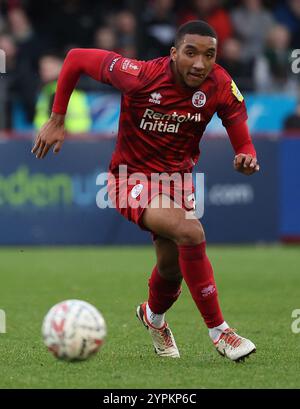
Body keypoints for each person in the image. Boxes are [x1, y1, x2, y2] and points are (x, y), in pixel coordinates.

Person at [32, 20, 259, 362]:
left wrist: (247, 156)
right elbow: (77, 57)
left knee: (171, 267)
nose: (199, 63)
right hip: (129, 178)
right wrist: (58, 117)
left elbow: (241, 138)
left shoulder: (220, 85)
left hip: (177, 182)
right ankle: (220, 332)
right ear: (173, 53)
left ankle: (152, 318)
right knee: (190, 231)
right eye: (191, 53)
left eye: (209, 55)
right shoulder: (139, 75)